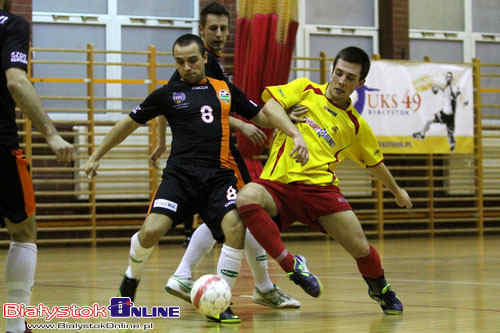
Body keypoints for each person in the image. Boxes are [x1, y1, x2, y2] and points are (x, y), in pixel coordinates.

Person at [84, 33, 308, 323]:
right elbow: (128, 123)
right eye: (180, 62)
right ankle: (130, 280)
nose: (186, 67)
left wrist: (288, 121)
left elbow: (262, 115)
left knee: (235, 228)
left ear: (204, 58)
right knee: (151, 232)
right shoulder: (167, 93)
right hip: (180, 178)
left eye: (192, 60)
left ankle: (221, 300)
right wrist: (95, 155)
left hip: (218, 176)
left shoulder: (224, 89)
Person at [236, 46, 413, 315]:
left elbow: (375, 163)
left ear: (360, 83)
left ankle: (381, 289)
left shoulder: (355, 125)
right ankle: (292, 266)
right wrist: (295, 134)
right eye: (338, 73)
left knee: (361, 248)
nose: (341, 81)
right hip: (278, 184)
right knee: (246, 197)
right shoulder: (305, 90)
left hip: (320, 189)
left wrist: (396, 190)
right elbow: (270, 107)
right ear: (331, 71)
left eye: (350, 78)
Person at [152, 2, 301, 312]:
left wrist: (278, 118)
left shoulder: (213, 65)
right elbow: (176, 105)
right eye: (213, 29)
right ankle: (252, 287)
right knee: (243, 212)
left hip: (219, 155)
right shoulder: (194, 64)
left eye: (223, 28)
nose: (219, 34)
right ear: (201, 30)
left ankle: (258, 286)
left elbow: (212, 105)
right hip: (213, 159)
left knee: (238, 215)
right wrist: (243, 127)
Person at [0, 1, 74, 332]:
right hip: (1, 148)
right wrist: (52, 134)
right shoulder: (11, 24)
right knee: (23, 232)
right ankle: (16, 327)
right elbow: (15, 81)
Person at [412, 71, 468, 151]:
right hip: (443, 113)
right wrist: (436, 87)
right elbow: (444, 91)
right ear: (446, 78)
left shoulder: (454, 87)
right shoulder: (446, 87)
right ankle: (422, 134)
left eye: (450, 76)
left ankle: (452, 144)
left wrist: (463, 101)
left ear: (452, 78)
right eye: (447, 76)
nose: (448, 78)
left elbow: (459, 94)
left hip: (450, 115)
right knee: (429, 121)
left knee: (450, 133)